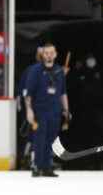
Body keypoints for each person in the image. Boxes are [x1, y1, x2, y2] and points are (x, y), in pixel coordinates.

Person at [23, 43, 69, 177]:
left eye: (51, 53)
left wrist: (66, 110)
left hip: (55, 111)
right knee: (39, 139)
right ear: (43, 55)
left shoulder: (60, 71)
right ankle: (37, 166)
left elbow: (63, 93)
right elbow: (28, 93)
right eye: (46, 53)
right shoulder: (35, 71)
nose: (49, 55)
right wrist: (29, 110)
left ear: (55, 54)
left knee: (51, 139)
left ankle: (47, 167)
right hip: (39, 111)